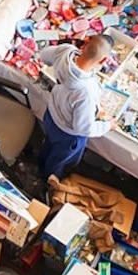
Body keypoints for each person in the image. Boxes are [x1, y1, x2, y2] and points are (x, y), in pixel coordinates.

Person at [35, 33, 110, 180]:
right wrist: (108, 126)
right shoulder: (85, 92)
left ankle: (39, 163)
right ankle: (48, 182)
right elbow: (83, 128)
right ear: (104, 59)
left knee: (49, 143)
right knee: (58, 161)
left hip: (51, 114)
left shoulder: (66, 51)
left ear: (85, 43)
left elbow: (44, 55)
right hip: (67, 134)